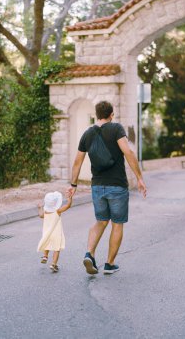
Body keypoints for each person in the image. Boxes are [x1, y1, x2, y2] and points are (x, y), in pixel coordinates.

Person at [68, 100, 146, 275]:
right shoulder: (116, 129)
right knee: (117, 224)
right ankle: (109, 264)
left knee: (101, 221)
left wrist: (73, 185)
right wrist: (139, 178)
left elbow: (77, 162)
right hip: (117, 185)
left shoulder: (87, 134)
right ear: (112, 114)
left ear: (97, 114)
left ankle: (89, 253)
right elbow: (128, 152)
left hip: (97, 187)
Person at [37, 191, 72, 272]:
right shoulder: (57, 211)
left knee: (47, 244)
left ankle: (45, 256)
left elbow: (40, 215)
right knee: (56, 249)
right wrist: (70, 199)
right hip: (56, 233)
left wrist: (40, 208)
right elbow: (68, 206)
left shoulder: (45, 212)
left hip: (47, 232)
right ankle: (53, 264)